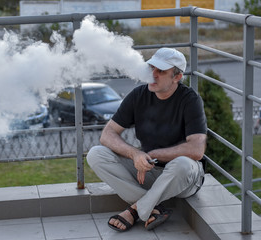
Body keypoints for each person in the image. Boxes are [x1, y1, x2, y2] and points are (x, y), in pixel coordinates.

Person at [87, 48, 207, 232]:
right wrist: (135, 154)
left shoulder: (190, 100)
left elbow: (197, 150)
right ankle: (153, 206)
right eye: (152, 68)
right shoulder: (138, 95)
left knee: (182, 164)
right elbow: (108, 134)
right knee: (96, 154)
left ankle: (135, 209)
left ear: (177, 77)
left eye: (161, 71)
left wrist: (152, 155)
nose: (153, 75)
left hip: (182, 178)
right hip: (149, 171)